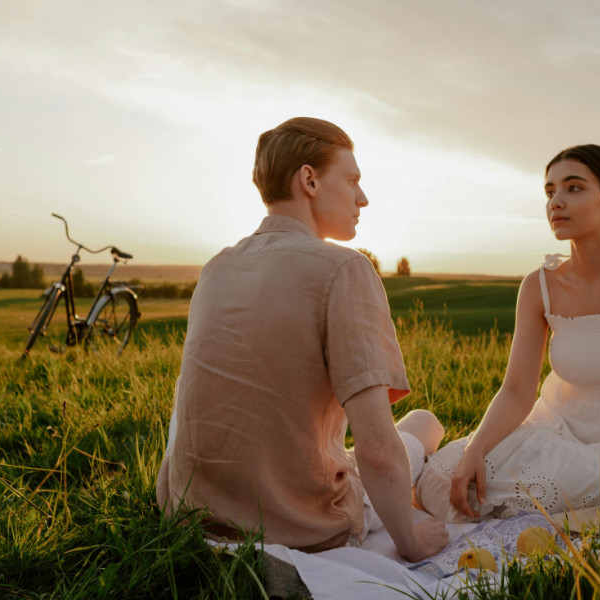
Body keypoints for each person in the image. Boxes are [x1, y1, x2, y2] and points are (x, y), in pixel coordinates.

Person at [156, 117, 449, 562]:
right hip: (297, 521)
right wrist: (408, 540)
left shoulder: (216, 266)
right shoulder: (344, 269)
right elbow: (375, 444)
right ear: (308, 180)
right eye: (352, 180)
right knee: (424, 424)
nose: (363, 198)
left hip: (191, 512)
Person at [415, 144, 600, 522]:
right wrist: (475, 448)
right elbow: (516, 390)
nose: (556, 201)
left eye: (574, 188)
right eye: (550, 191)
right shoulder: (539, 285)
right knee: (443, 479)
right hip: (555, 436)